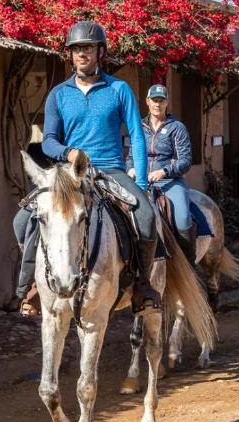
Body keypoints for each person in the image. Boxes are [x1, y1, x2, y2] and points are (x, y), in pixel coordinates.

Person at [10, 20, 162, 316]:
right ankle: (32, 285)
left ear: (99, 52)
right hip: (70, 173)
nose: (82, 53)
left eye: (88, 48)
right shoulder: (58, 94)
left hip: (111, 169)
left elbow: (137, 137)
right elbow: (49, 141)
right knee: (21, 221)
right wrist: (69, 153)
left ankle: (141, 286)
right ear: (70, 54)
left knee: (144, 217)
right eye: (77, 48)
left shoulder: (119, 89)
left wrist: (141, 184)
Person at [127, 84, 198, 264]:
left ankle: (188, 264)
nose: (157, 104)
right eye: (154, 100)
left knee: (182, 217)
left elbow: (185, 160)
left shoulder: (177, 128)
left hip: (170, 181)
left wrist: (164, 171)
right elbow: (129, 155)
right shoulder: (138, 127)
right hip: (141, 181)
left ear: (167, 103)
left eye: (161, 100)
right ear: (147, 102)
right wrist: (130, 168)